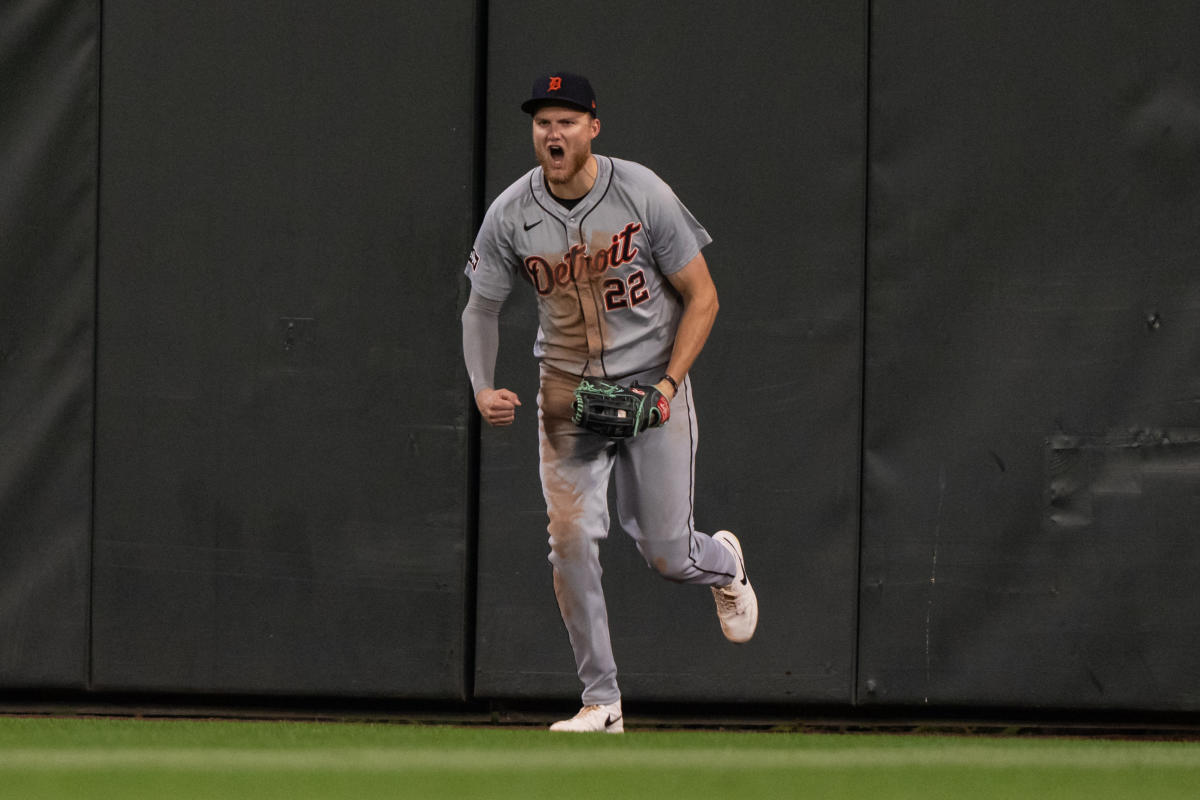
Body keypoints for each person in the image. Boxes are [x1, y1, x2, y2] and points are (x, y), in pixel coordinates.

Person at [461, 72, 758, 733]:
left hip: (650, 378)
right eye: (542, 122)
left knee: (665, 554)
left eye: (566, 120)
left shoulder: (642, 193)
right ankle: (602, 701)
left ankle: (725, 564)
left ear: (593, 127)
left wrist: (670, 383)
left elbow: (703, 297)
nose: (552, 132)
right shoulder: (512, 213)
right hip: (568, 389)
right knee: (568, 538)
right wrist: (482, 385)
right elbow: (480, 306)